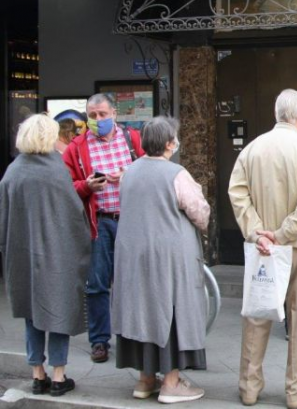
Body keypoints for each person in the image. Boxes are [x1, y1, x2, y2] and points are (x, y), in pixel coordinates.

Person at [229, 89, 297, 408]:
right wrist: (284, 234)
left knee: (256, 314)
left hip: (263, 247)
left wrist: (258, 232)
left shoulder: (252, 149)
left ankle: (248, 386)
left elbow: (237, 193)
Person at [111, 117, 210, 403]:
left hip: (132, 254)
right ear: (169, 143)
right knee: (172, 311)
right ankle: (171, 382)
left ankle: (144, 380)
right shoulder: (176, 173)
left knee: (141, 310)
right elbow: (199, 213)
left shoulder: (129, 172)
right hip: (168, 256)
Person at [0, 114, 90, 397]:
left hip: (22, 254)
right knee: (59, 310)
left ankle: (37, 374)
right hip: (57, 253)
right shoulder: (55, 170)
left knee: (31, 312)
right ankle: (59, 376)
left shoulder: (13, 172)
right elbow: (73, 214)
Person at [62, 93, 145, 363]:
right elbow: (66, 187)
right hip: (99, 222)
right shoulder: (76, 147)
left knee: (132, 282)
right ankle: (99, 341)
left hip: (131, 221)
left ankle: (134, 336)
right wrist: (87, 186)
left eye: (102, 115)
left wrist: (129, 176)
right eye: (92, 116)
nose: (97, 120)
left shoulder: (132, 139)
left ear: (114, 114)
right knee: (97, 283)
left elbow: (152, 172)